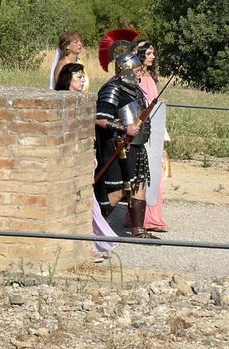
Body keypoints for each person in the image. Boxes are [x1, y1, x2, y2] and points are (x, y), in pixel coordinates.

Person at [55, 61, 117, 261]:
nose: (83, 81)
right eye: (78, 77)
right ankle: (87, 246)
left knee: (89, 205)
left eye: (83, 77)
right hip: (69, 161)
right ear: (68, 80)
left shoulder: (84, 101)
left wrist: (91, 155)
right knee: (82, 205)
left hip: (85, 160)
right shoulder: (62, 102)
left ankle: (92, 243)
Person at [94, 50, 157, 238]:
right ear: (127, 70)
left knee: (139, 183)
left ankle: (138, 229)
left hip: (136, 145)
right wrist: (125, 129)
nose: (140, 73)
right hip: (119, 145)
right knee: (118, 189)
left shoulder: (134, 88)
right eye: (137, 69)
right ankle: (94, 227)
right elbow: (100, 118)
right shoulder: (112, 88)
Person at [133, 40, 170, 233]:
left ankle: (153, 216)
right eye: (148, 53)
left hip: (154, 129)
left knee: (156, 172)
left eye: (153, 53)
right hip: (142, 130)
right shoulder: (136, 75)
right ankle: (144, 218)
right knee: (144, 174)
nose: (153, 56)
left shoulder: (150, 75)